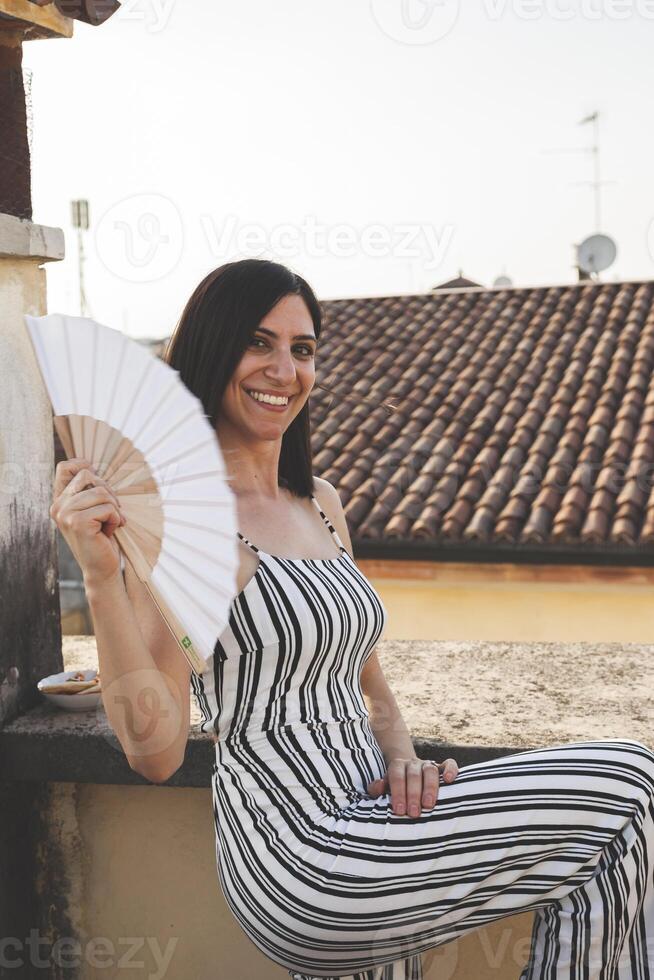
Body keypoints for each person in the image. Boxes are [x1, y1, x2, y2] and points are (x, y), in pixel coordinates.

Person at [50, 258, 654, 980]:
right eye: (258, 343)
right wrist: (99, 576)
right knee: (631, 787)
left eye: (302, 349)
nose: (284, 368)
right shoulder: (182, 524)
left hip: (373, 815)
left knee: (591, 855)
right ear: (212, 353)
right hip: (300, 850)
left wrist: (403, 757)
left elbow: (370, 683)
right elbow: (157, 752)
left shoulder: (321, 503)